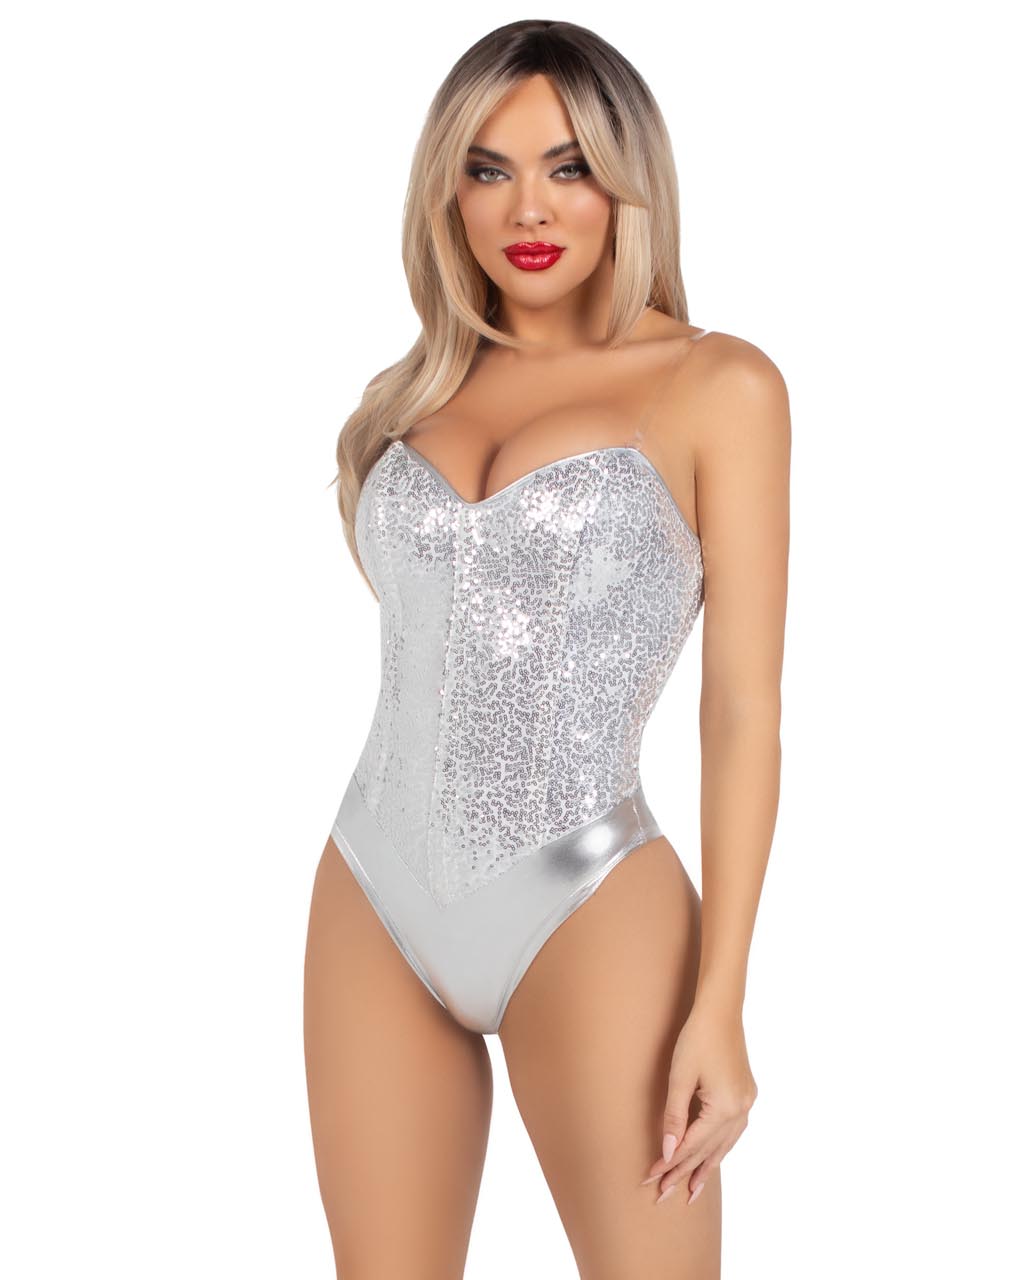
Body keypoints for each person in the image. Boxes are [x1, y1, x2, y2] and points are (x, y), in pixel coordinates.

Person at [304, 19, 789, 1278]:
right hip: (371, 886)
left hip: (589, 900)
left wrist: (723, 999)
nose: (528, 206)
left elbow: (741, 709)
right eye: (488, 168)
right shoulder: (409, 397)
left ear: (628, 180)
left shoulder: (718, 385)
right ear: (446, 191)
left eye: (568, 166)